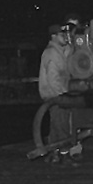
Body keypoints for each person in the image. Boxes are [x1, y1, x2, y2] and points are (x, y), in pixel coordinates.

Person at [38, 23, 78, 165]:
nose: (66, 37)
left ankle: (53, 154)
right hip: (54, 94)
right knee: (62, 124)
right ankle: (64, 154)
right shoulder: (51, 53)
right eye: (62, 35)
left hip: (58, 93)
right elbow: (53, 78)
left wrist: (70, 46)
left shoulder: (60, 50)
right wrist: (63, 94)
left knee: (56, 124)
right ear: (53, 37)